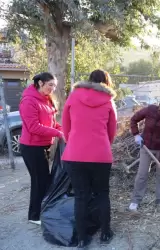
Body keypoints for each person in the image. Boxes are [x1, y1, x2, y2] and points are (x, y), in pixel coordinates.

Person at [62, 69, 117, 249]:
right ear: (106, 82)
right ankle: (105, 233)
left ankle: (82, 238)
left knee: (81, 196)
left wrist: (74, 143)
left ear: (89, 79)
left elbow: (66, 126)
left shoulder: (74, 95)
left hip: (75, 154)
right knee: (102, 193)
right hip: (100, 155)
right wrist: (101, 146)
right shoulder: (109, 100)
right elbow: (112, 132)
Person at [19, 72, 64, 225]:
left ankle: (42, 211)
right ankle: (34, 216)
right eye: (50, 84)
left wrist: (63, 129)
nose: (53, 88)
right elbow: (33, 127)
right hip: (31, 147)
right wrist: (57, 133)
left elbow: (51, 123)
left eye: (54, 85)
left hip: (43, 146)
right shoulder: (29, 101)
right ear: (40, 83)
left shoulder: (47, 100)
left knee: (44, 181)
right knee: (39, 181)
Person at [128, 97, 160, 211]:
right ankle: (136, 200)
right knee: (142, 174)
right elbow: (134, 120)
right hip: (146, 147)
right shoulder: (150, 110)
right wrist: (136, 135)